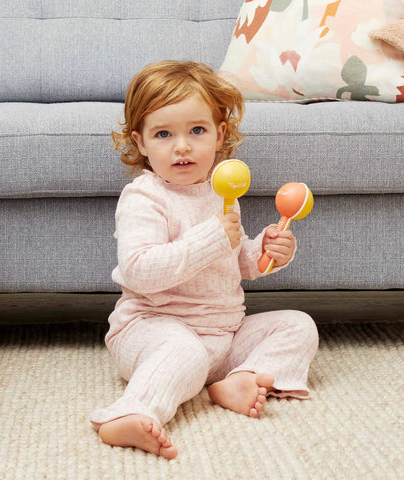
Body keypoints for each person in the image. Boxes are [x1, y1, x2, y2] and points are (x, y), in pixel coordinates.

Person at [89, 61, 319, 459]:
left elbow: (233, 264)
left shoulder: (221, 193)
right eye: (163, 134)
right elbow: (139, 271)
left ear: (220, 134)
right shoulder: (144, 198)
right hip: (152, 331)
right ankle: (130, 413)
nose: (182, 146)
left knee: (297, 325)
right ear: (140, 142)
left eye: (197, 130)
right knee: (184, 351)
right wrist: (212, 237)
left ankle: (237, 379)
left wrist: (266, 251)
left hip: (221, 336)